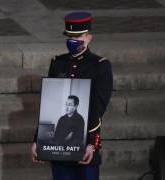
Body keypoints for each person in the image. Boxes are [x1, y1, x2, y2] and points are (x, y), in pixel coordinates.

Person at [31, 11, 113, 180]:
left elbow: (98, 109)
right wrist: (38, 139)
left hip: (84, 146)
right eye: (70, 36)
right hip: (59, 150)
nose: (73, 41)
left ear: (89, 37)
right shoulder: (57, 62)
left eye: (78, 37)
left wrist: (92, 144)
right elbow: (50, 103)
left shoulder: (100, 66)